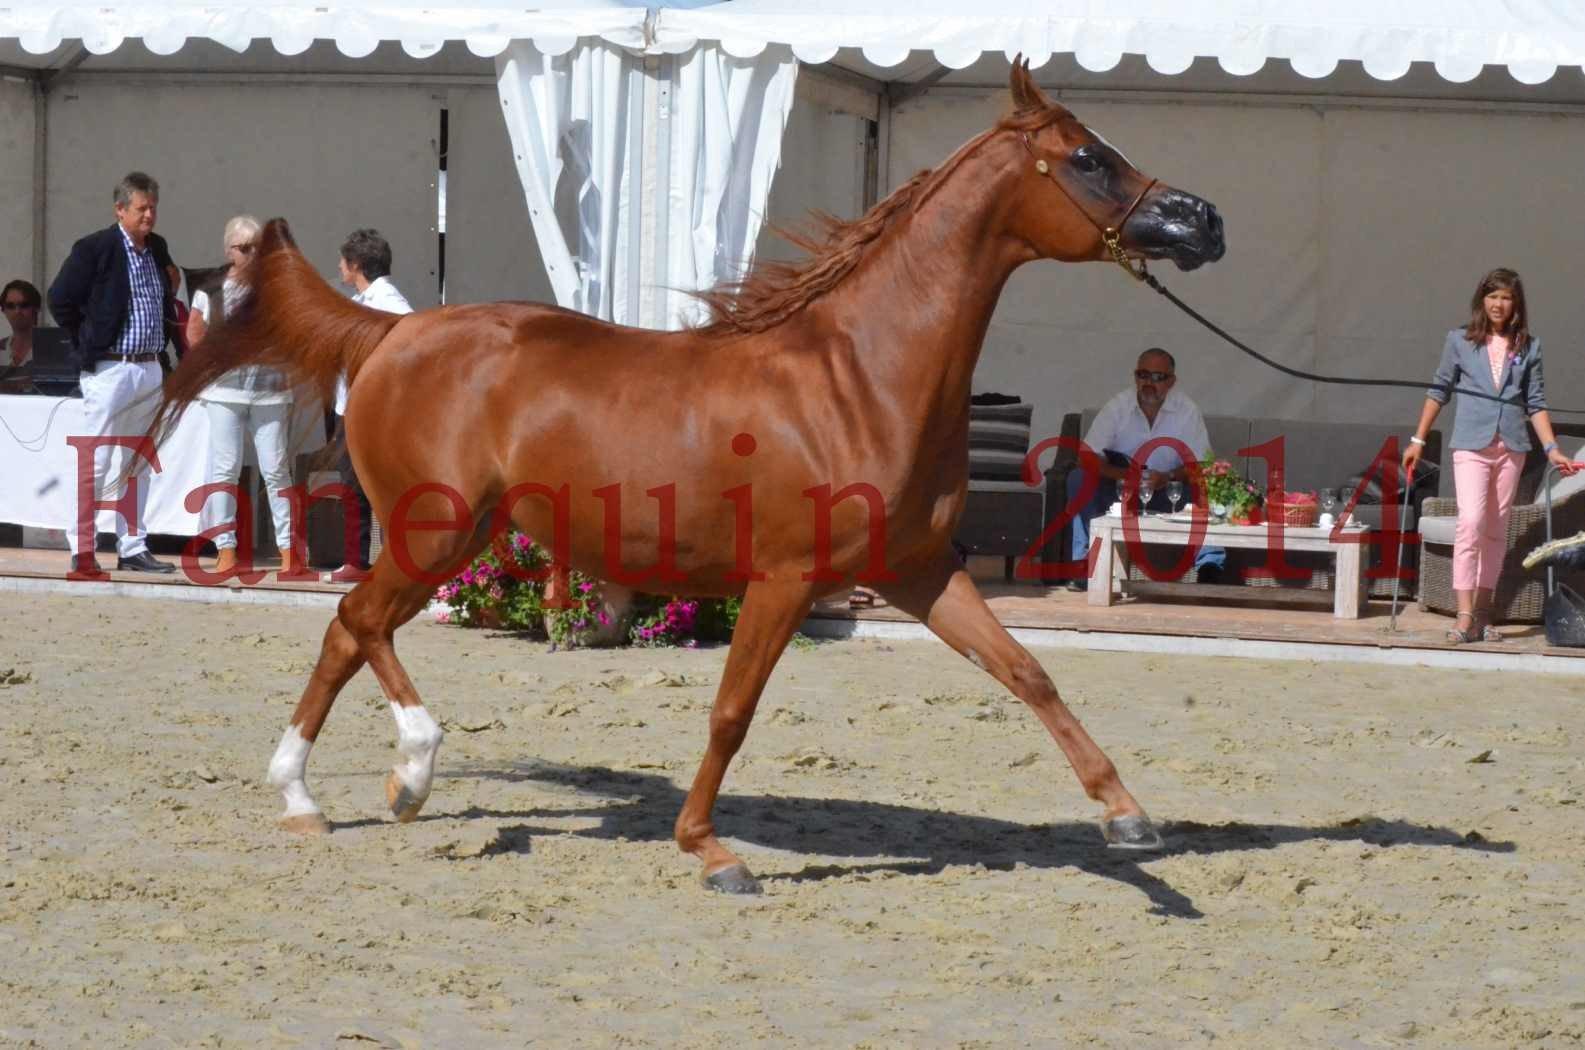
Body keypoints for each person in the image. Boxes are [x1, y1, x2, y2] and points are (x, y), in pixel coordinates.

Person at [1403, 267, 1573, 644]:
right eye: (1493, 296)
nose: (1498, 304)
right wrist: (1417, 439)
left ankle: (1483, 613)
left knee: (1496, 531)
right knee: (1471, 523)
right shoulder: (1460, 341)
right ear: (1482, 299)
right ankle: (1463, 616)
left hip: (1510, 447)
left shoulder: (1529, 346)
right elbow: (1438, 391)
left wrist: (1551, 448)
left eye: (1506, 297)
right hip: (1471, 446)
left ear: (1516, 304)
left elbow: (1536, 403)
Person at [47, 171, 179, 575]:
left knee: (139, 462)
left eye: (153, 207)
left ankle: (133, 544)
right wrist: (89, 339)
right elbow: (60, 299)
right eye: (141, 208)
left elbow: (165, 295)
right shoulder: (95, 248)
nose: (149, 216)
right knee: (98, 460)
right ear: (120, 209)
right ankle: (83, 547)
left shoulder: (156, 247)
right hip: (111, 368)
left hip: (148, 366)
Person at [186, 215, 299, 579]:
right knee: (225, 469)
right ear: (228, 250)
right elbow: (193, 333)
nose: (250, 254)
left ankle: (289, 552)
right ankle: (226, 550)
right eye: (243, 247)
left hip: (271, 391)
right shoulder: (210, 287)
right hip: (223, 390)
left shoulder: (278, 286)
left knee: (276, 469)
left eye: (256, 247)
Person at [1062, 347, 1226, 591]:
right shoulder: (1118, 406)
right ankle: (1086, 564)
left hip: (1170, 491)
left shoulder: (1186, 410)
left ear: (1171, 381)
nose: (1149, 383)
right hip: (1121, 492)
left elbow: (1202, 465)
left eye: (1158, 377)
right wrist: (1126, 476)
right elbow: (1085, 457)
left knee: (1208, 483)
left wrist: (1167, 477)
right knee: (1079, 478)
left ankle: (1210, 566)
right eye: (1143, 375)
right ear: (1135, 376)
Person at [329, 228, 411, 582]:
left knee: (378, 484)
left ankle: (376, 559)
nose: (339, 267)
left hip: (376, 410)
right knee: (353, 483)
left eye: (343, 261)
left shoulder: (389, 304)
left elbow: (408, 344)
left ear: (356, 264)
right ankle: (356, 559)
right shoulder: (363, 301)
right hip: (353, 406)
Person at [1, 279, 43, 393]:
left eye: (24, 305)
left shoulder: (52, 349)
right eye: (10, 306)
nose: (17, 311)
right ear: (3, 310)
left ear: (36, 308)